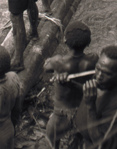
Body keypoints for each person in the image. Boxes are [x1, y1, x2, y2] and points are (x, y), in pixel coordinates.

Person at [43, 21, 98, 149]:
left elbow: (46, 68)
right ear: (88, 43)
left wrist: (48, 61)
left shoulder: (58, 61)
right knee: (80, 140)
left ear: (65, 42)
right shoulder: (94, 59)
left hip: (61, 114)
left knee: (51, 140)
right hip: (82, 111)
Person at [75, 46, 117, 149]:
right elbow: (87, 90)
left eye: (106, 73)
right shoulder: (102, 79)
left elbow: (100, 143)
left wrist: (90, 106)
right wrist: (68, 83)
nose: (98, 76)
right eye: (98, 68)